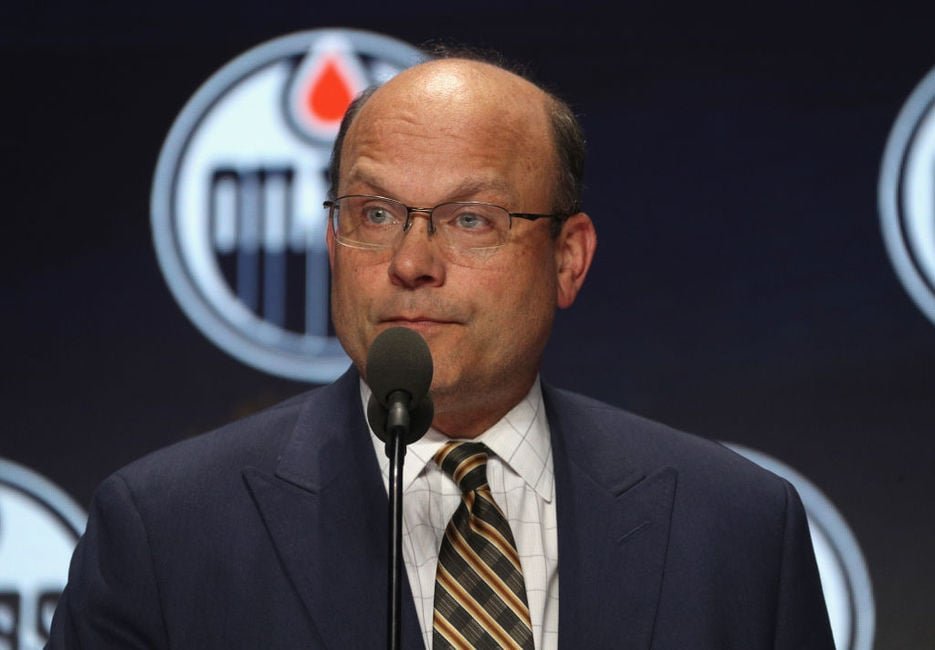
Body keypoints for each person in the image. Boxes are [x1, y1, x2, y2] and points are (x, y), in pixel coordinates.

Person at [48, 48, 835, 649]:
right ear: (332, 241)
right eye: (375, 214)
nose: (411, 262)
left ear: (567, 259)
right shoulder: (164, 532)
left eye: (470, 220)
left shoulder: (735, 528)